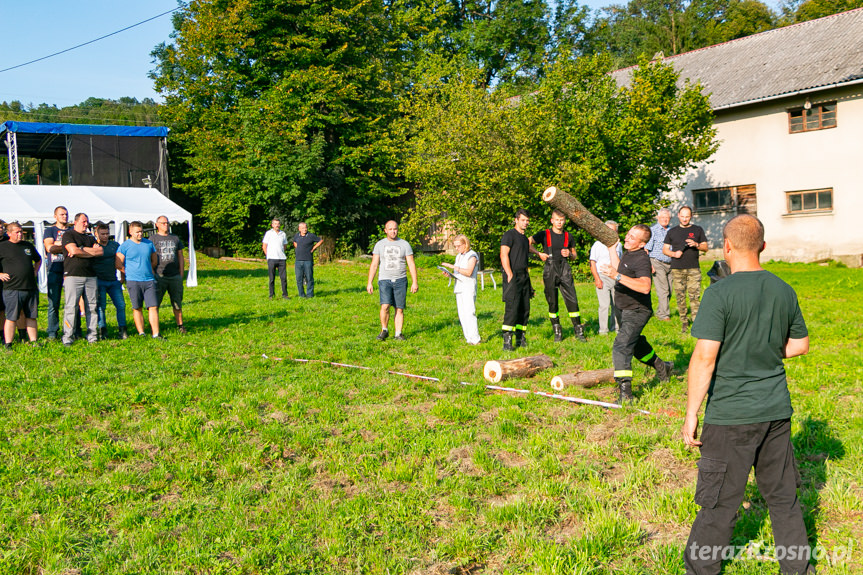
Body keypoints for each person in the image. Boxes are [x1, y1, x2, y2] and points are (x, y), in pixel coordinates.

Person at [681, 215, 814, 575]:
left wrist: (692, 412)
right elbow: (799, 345)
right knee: (784, 499)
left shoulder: (719, 293)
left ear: (726, 247)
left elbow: (705, 358)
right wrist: (764, 349)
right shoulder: (783, 289)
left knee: (718, 504)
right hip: (775, 413)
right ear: (764, 247)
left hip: (729, 418)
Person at [599, 224, 673, 404]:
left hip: (637, 310)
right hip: (624, 308)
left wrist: (616, 276)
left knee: (622, 346)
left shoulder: (641, 259)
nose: (627, 238)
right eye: (628, 234)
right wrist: (611, 249)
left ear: (641, 244)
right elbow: (621, 268)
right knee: (635, 344)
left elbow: (645, 286)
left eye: (632, 237)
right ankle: (662, 367)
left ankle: (626, 394)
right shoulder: (629, 253)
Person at [529, 209, 587, 342]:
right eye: (557, 220)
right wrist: (538, 253)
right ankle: (557, 331)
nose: (559, 222)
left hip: (564, 268)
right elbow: (527, 242)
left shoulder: (568, 236)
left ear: (564, 221)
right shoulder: (544, 234)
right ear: (552, 221)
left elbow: (574, 255)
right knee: (552, 301)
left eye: (562, 220)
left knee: (572, 299)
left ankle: (578, 330)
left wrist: (570, 255)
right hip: (550, 268)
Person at [366, 220, 418, 341]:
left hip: (400, 279)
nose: (393, 231)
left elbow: (411, 263)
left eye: (395, 229)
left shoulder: (405, 244)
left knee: (399, 308)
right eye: (390, 229)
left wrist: (415, 282)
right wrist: (370, 282)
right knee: (385, 306)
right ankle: (384, 330)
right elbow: (374, 264)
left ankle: (398, 333)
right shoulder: (380, 245)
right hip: (384, 279)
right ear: (385, 231)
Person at [663, 206, 708, 333]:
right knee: (680, 296)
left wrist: (696, 245)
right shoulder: (672, 232)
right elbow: (665, 249)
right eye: (682, 216)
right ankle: (684, 321)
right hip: (677, 269)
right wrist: (674, 254)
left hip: (693, 268)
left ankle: (696, 322)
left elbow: (705, 247)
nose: (684, 219)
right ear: (678, 215)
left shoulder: (697, 230)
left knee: (694, 296)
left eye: (687, 216)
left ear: (691, 216)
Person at [61, 213, 103, 346]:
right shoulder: (69, 235)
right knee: (71, 307)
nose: (86, 224)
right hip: (73, 275)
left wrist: (82, 249)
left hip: (91, 276)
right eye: (84, 222)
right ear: (75, 222)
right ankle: (68, 337)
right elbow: (73, 250)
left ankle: (92, 336)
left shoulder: (90, 237)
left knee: (92, 307)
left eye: (87, 222)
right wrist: (89, 252)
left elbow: (100, 251)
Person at [0, 222, 42, 349]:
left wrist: (35, 270)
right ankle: (8, 343)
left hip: (30, 287)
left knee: (31, 316)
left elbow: (38, 259)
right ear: (9, 233)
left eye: (21, 232)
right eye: (17, 232)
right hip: (12, 288)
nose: (20, 234)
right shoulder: (2, 246)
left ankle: (34, 341)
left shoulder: (28, 245)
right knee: (12, 317)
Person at [117, 221, 162, 339]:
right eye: (137, 232)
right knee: (137, 307)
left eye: (141, 231)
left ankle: (156, 333)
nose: (140, 234)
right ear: (130, 232)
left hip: (149, 280)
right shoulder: (125, 246)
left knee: (153, 306)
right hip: (133, 280)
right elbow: (117, 262)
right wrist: (126, 271)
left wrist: (148, 269)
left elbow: (154, 260)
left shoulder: (149, 244)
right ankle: (141, 332)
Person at [500, 209, 532, 351]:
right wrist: (509, 274)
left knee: (524, 308)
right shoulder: (509, 235)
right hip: (513, 275)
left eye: (527, 220)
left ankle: (520, 338)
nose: (525, 223)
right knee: (512, 308)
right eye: (523, 220)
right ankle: (507, 341)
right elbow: (503, 254)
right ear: (516, 220)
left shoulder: (524, 238)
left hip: (524, 276)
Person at [440, 234, 481, 345]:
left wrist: (453, 267)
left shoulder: (472, 255)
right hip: (459, 287)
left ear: (465, 244)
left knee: (469, 312)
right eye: (455, 246)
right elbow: (458, 272)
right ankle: (468, 338)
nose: (457, 248)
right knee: (462, 314)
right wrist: (450, 274)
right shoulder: (459, 256)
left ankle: (476, 338)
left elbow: (468, 272)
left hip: (468, 287)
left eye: (458, 246)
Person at [152, 216, 187, 334]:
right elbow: (149, 257)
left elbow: (180, 255)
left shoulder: (175, 238)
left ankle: (180, 325)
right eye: (163, 223)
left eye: (167, 223)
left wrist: (181, 272)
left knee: (177, 302)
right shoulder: (152, 239)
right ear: (157, 224)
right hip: (159, 275)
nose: (165, 225)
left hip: (174, 275)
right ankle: (155, 327)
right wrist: (152, 272)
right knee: (155, 303)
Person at [93, 223, 128, 340]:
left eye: (107, 233)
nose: (105, 236)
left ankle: (122, 330)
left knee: (121, 305)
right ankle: (102, 331)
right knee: (101, 307)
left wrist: (122, 277)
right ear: (96, 234)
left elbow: (121, 261)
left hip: (113, 280)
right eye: (102, 234)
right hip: (99, 280)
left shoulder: (115, 245)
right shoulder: (94, 246)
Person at [589, 221, 622, 335]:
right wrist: (597, 279)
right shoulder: (597, 244)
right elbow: (592, 263)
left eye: (613, 231)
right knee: (604, 305)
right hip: (603, 276)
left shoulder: (619, 245)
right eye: (608, 230)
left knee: (617, 304)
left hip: (615, 276)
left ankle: (617, 328)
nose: (611, 233)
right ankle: (603, 330)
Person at [43, 206, 71, 340]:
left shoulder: (71, 231)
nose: (64, 216)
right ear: (55, 216)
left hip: (70, 270)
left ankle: (72, 330)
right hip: (55, 270)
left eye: (66, 214)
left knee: (72, 303)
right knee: (53, 303)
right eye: (61, 214)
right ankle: (52, 332)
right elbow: (50, 248)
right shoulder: (50, 230)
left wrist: (58, 246)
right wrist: (68, 247)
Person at [644, 208, 674, 321]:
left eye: (667, 218)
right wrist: (649, 265)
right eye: (662, 217)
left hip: (671, 264)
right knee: (663, 289)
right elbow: (646, 249)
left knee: (670, 290)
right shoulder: (653, 231)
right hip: (657, 262)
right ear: (658, 218)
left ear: (670, 218)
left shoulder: (672, 230)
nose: (664, 220)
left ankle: (660, 311)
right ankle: (664, 315)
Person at [293, 222, 324, 298]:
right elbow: (294, 242)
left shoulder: (311, 235)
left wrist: (313, 248)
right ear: (299, 229)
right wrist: (297, 247)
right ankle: (301, 295)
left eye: (306, 227)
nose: (305, 229)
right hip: (298, 260)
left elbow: (320, 240)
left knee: (309, 277)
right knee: (299, 279)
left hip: (308, 260)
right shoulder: (297, 235)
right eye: (303, 228)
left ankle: (309, 295)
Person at [262, 218, 289, 299]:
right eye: (275, 224)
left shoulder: (283, 234)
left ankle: (285, 295)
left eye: (278, 223)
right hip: (272, 259)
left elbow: (285, 246)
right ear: (272, 225)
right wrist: (268, 256)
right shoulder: (268, 233)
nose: (277, 225)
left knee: (283, 278)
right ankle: (271, 295)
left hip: (282, 259)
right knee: (271, 278)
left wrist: (281, 252)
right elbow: (264, 246)